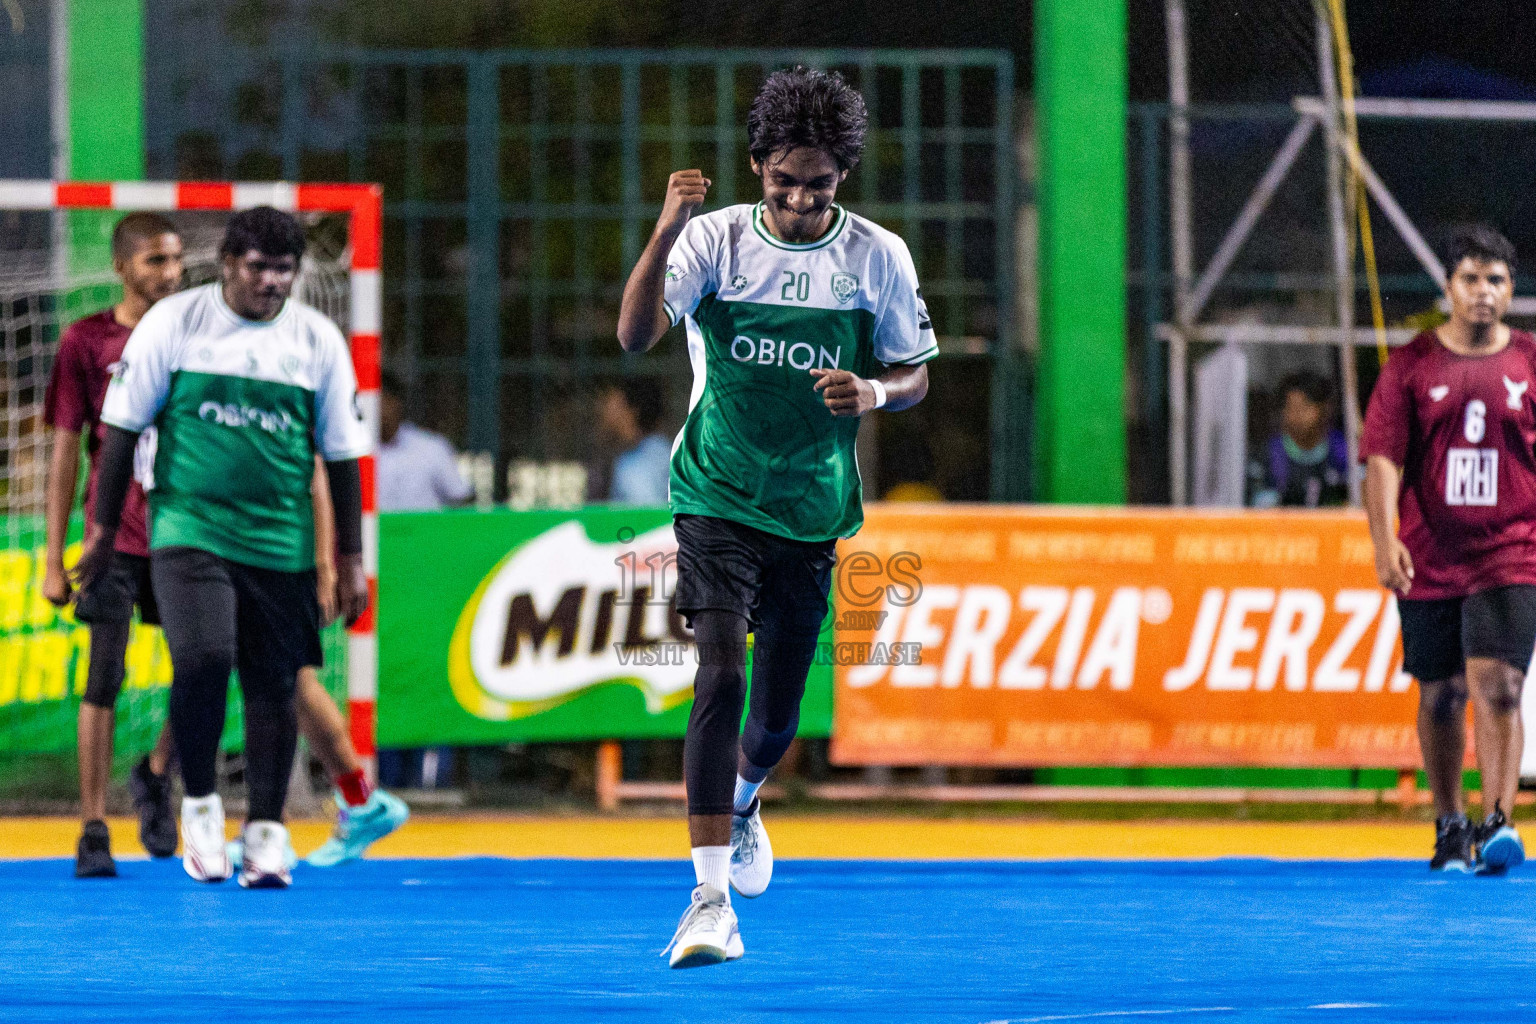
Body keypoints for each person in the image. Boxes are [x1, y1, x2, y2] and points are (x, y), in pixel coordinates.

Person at [617, 66, 934, 967]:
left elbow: (917, 374)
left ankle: (749, 799)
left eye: (818, 185)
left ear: (843, 179)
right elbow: (635, 335)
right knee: (717, 676)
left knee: (779, 715)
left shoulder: (878, 255)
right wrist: (665, 228)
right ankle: (708, 899)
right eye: (783, 181)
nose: (798, 201)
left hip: (812, 509)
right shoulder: (712, 241)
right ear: (758, 167)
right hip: (715, 494)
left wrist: (874, 387)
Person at [80, 206, 371, 889]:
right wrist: (97, 535)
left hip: (281, 539)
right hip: (188, 528)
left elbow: (343, 457)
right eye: (258, 268)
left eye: (284, 271)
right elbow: (120, 430)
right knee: (205, 658)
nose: (271, 282)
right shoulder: (175, 324)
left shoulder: (318, 341)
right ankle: (203, 812)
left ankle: (266, 832)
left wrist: (351, 560)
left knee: (274, 683)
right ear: (229, 266)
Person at [1362, 224, 1534, 875]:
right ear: (1449, 286)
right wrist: (1385, 539)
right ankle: (1449, 823)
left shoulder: (1530, 361)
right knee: (1441, 695)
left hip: (1513, 550)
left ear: (1510, 289)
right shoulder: (1410, 366)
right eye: (1471, 279)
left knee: (1502, 685)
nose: (1484, 292)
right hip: (1431, 554)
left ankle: (1499, 823)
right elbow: (1382, 462)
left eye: (1496, 280)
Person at [42, 213, 184, 878]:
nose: (171, 274)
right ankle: (93, 825)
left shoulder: (197, 337)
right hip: (113, 539)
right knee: (104, 677)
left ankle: (158, 774)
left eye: (176, 260)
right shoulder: (86, 341)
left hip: (187, 533)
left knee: (208, 663)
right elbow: (66, 450)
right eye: (156, 261)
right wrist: (52, 555)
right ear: (123, 267)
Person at [1250, 370, 1350, 509]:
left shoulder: (1342, 450)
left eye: (1305, 407)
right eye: (1290, 408)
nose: (1296, 416)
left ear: (1324, 409)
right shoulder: (1270, 454)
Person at [377, 371, 473, 512]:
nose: (379, 409)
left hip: (428, 532)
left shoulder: (431, 448)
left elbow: (460, 499)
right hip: (371, 533)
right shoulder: (357, 450)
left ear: (396, 402)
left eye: (384, 400)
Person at [597, 378, 671, 504]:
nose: (601, 409)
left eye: (609, 401)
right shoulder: (663, 449)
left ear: (632, 410)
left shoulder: (635, 465)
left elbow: (646, 518)